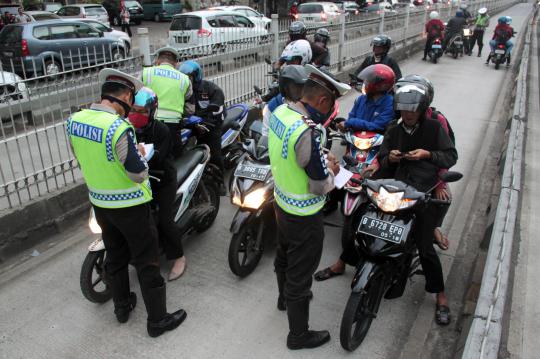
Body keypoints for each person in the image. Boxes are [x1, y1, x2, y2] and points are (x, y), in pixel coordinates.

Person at [66, 69, 186, 337]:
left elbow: (79, 156)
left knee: (116, 256)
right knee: (147, 260)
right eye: (131, 100)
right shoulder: (119, 128)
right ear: (126, 96)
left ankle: (122, 307)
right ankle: (157, 320)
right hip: (130, 207)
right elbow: (138, 173)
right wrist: (141, 154)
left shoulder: (74, 121)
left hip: (100, 205)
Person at [269, 64, 350, 349]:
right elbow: (318, 181)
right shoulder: (309, 130)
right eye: (331, 106)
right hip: (304, 213)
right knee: (300, 275)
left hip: (281, 203)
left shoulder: (281, 112)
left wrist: (321, 159)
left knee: (284, 256)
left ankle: (283, 298)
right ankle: (298, 335)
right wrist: (333, 171)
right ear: (323, 101)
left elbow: (291, 155)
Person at [376, 82, 458, 326]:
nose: (408, 115)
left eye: (412, 110)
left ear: (422, 109)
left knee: (424, 247)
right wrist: (388, 157)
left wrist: (427, 155)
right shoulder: (393, 128)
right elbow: (382, 156)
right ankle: (344, 263)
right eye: (404, 110)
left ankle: (441, 297)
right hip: (396, 187)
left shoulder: (434, 128)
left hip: (424, 190)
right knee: (366, 220)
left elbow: (450, 156)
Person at [315, 64, 395, 279]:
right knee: (337, 170)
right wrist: (354, 124)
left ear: (381, 86)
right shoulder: (361, 100)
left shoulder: (389, 103)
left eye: (369, 83)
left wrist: (354, 123)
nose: (365, 86)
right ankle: (331, 201)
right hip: (355, 146)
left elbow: (381, 124)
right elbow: (352, 120)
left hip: (374, 150)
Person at [127, 87, 187, 281]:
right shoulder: (126, 128)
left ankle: (178, 257)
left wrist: (141, 155)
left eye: (143, 111)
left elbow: (159, 157)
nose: (137, 115)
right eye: (134, 110)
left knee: (165, 219)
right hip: (140, 179)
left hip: (162, 178)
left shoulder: (161, 130)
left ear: (152, 111)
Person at [178, 60, 226, 191]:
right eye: (184, 78)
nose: (187, 81)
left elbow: (217, 111)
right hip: (192, 125)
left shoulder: (212, 89)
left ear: (196, 76)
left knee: (215, 153)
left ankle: (220, 182)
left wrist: (205, 124)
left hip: (211, 125)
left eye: (189, 78)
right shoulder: (181, 92)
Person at [142, 47, 194, 157]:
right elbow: (190, 108)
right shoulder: (184, 79)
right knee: (174, 159)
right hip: (173, 126)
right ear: (175, 64)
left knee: (148, 158)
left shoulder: (146, 73)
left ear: (158, 61)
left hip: (150, 125)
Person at [261, 65, 309, 143]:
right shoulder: (274, 105)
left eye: (302, 86)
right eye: (296, 86)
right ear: (285, 87)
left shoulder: (307, 104)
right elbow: (266, 134)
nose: (300, 90)